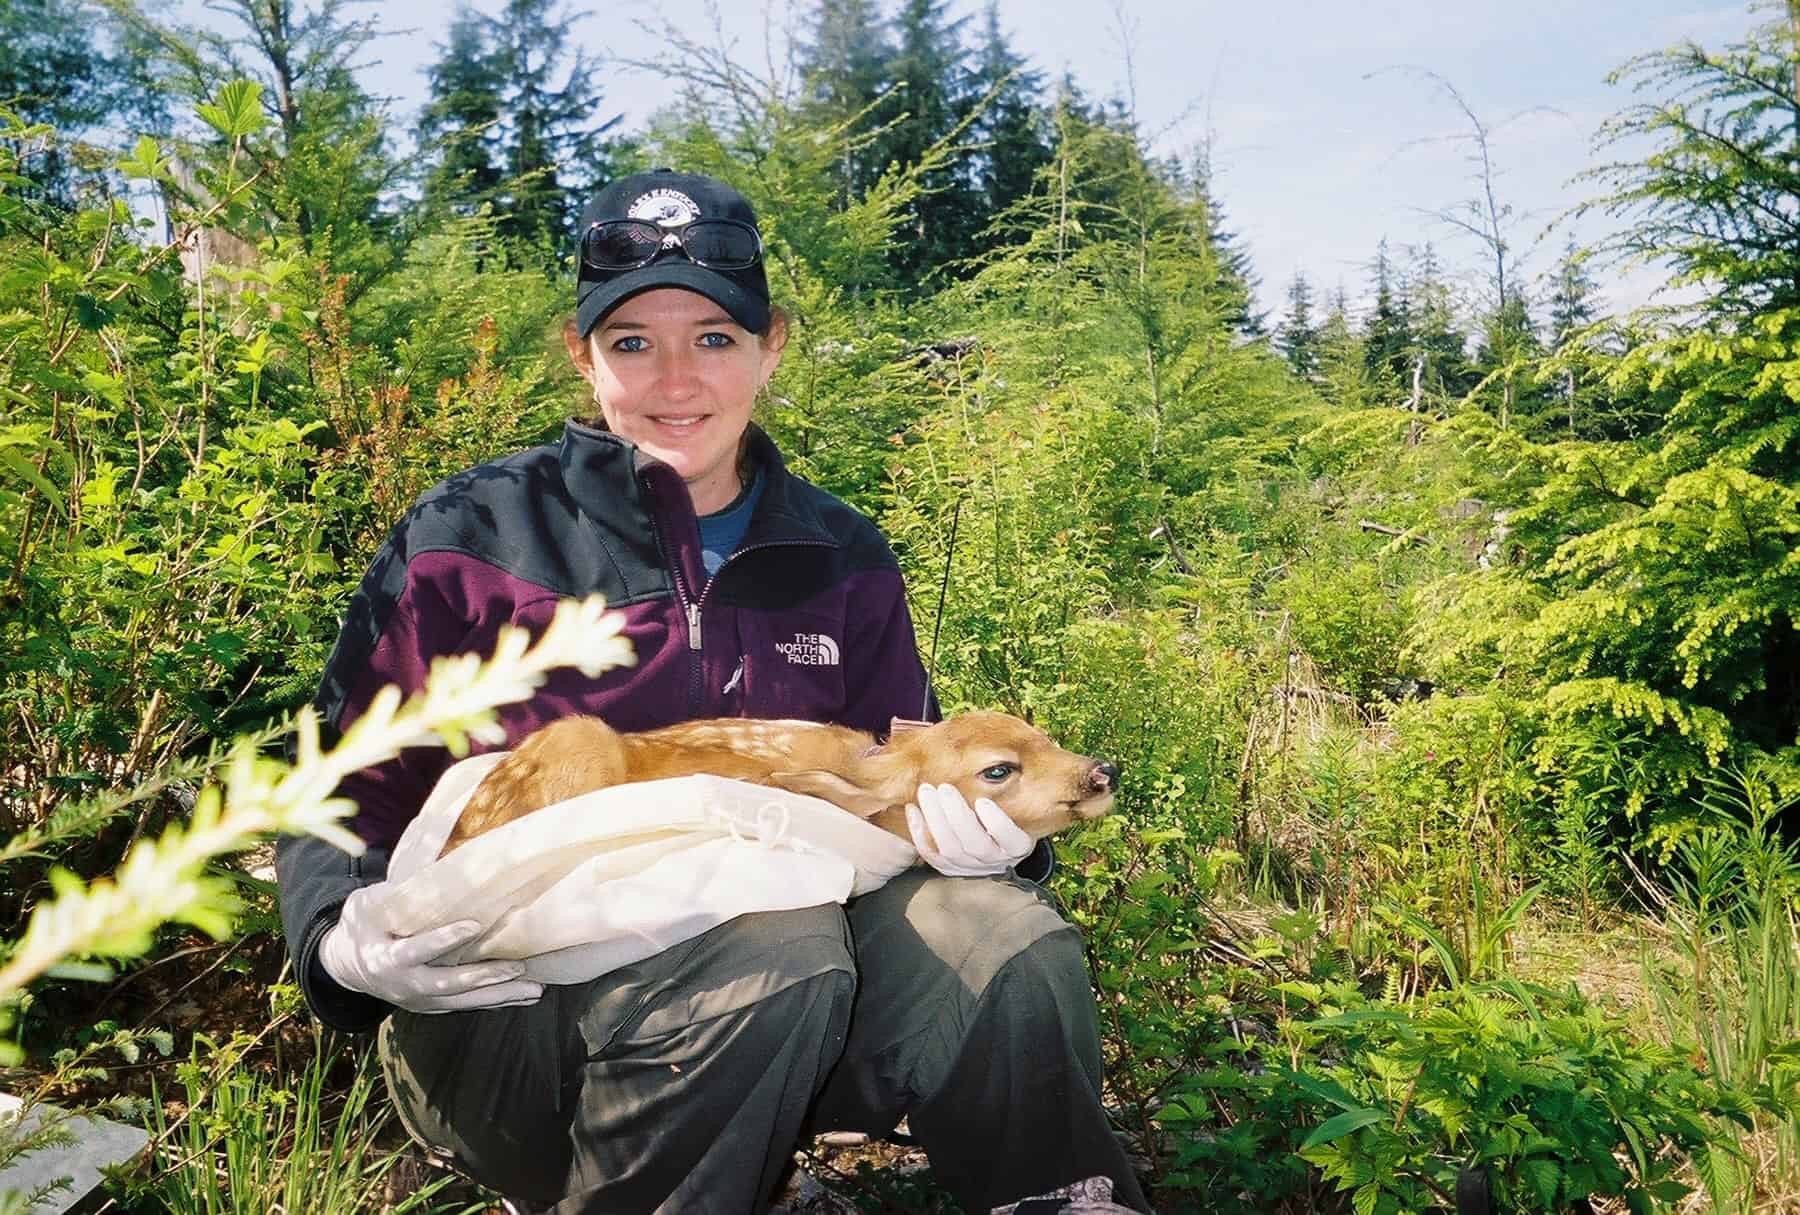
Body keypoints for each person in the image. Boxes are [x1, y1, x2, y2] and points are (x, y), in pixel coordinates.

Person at [275, 168, 1150, 1215]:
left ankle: (1057, 1198)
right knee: (764, 943)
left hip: (796, 1017)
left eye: (716, 338)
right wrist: (341, 943)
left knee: (1005, 943)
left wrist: (1003, 836)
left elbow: (907, 769)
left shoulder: (839, 554)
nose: (675, 379)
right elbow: (341, 773)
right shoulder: (469, 539)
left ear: (772, 345)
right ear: (581, 353)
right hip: (509, 1019)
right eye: (633, 341)